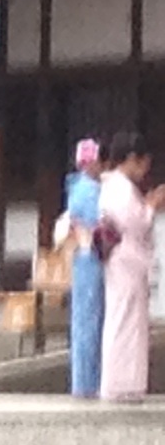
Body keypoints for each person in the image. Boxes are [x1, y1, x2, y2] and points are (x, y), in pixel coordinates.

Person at [100, 135, 154, 404]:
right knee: (124, 320)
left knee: (128, 320)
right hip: (125, 259)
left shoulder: (116, 186)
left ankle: (127, 382)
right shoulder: (119, 188)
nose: (144, 171)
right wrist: (151, 207)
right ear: (132, 159)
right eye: (143, 164)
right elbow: (135, 223)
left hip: (125, 261)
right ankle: (120, 383)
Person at [63, 139, 106, 399]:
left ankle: (83, 381)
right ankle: (88, 382)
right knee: (91, 321)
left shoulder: (75, 186)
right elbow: (98, 224)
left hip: (82, 258)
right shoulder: (90, 190)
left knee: (83, 320)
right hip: (92, 257)